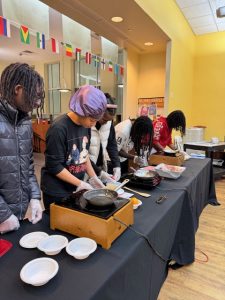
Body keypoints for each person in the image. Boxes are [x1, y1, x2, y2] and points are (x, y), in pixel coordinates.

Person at [41, 85, 107, 210]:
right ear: (81, 111)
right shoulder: (59, 129)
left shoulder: (85, 126)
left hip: (74, 187)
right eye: (92, 120)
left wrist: (93, 178)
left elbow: (84, 154)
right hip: (57, 191)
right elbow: (54, 166)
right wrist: (80, 183)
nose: (93, 124)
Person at [0, 63, 45, 234]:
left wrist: (34, 197)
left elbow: (28, 166)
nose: (39, 102)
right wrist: (3, 215)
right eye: (36, 95)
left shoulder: (25, 121)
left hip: (16, 215)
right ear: (18, 89)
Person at [89, 93, 121, 183]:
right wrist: (99, 172)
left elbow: (112, 145)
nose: (106, 123)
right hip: (87, 171)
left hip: (100, 167)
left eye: (109, 120)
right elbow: (83, 155)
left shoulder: (109, 123)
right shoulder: (86, 124)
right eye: (104, 120)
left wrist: (116, 165)